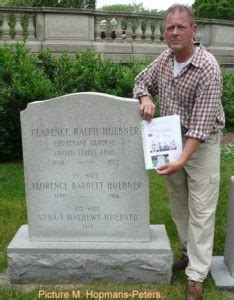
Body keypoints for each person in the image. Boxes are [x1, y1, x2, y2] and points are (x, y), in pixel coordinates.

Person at [133, 4, 225, 300]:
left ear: (193, 30)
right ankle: (188, 253)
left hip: (202, 144)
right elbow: (140, 80)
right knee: (179, 205)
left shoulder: (208, 68)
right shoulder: (165, 59)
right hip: (171, 140)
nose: (174, 32)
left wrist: (182, 161)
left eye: (180, 27)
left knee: (201, 208)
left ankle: (197, 276)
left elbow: (200, 126)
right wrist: (146, 97)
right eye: (169, 27)